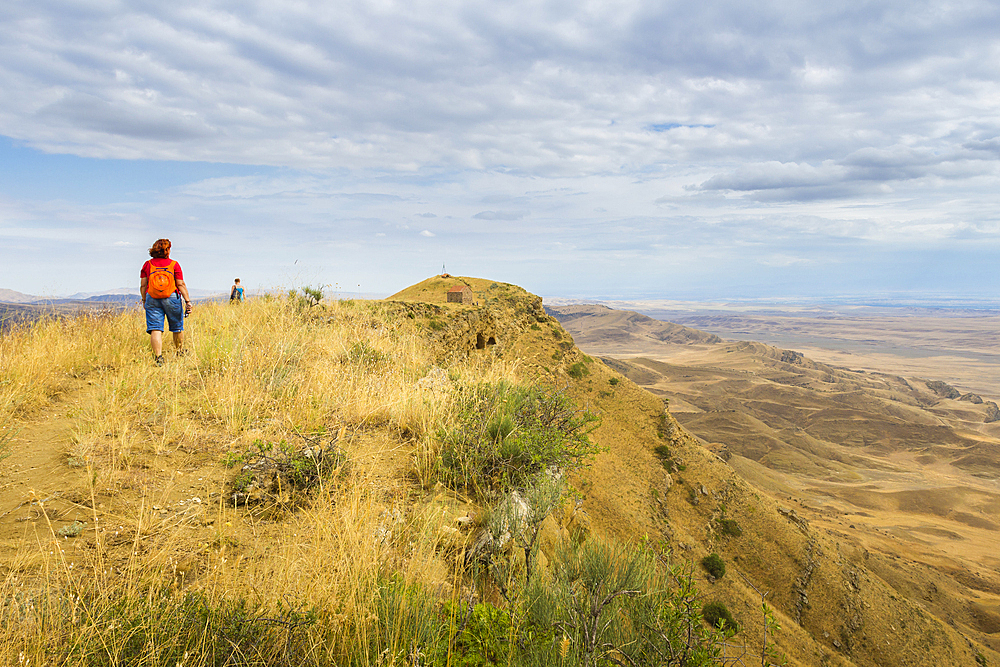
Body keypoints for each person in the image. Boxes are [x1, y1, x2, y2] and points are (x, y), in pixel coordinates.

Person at [140, 239, 192, 366]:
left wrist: (144, 299)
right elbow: (180, 284)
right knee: (177, 326)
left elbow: (143, 285)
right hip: (172, 297)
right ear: (167, 250)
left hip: (152, 297)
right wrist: (187, 301)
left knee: (155, 328)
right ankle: (179, 351)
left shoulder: (147, 264)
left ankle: (158, 357)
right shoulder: (174, 264)